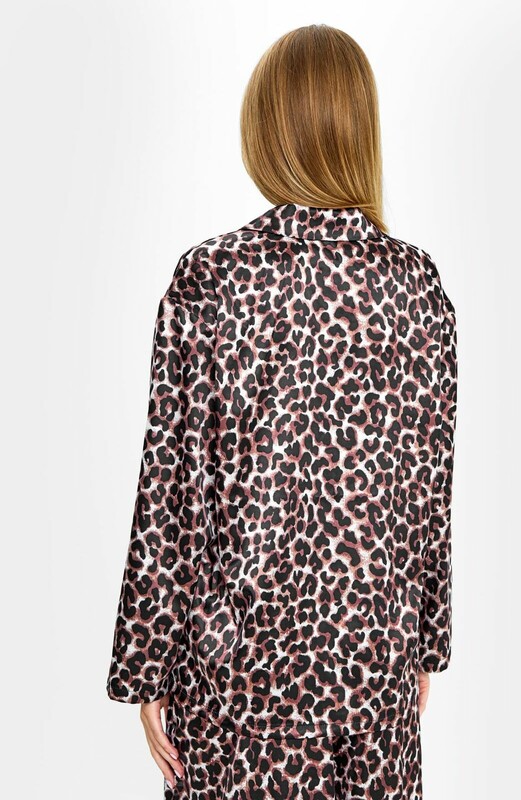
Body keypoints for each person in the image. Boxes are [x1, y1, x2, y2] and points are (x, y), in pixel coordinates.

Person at [106, 23, 458, 800]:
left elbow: (171, 488)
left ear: (267, 130)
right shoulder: (418, 288)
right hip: (372, 664)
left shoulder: (211, 277)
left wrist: (146, 665)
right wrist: (424, 643)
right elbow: (427, 488)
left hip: (235, 680)